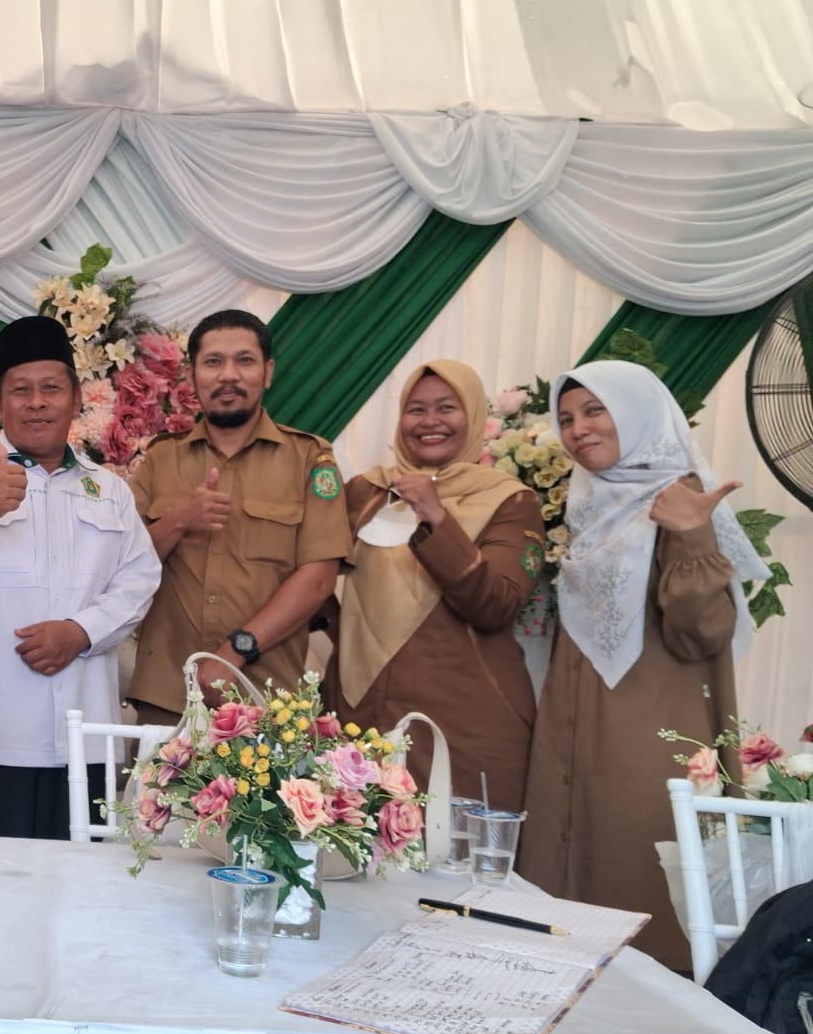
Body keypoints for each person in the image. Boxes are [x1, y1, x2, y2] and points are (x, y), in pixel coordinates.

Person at [516, 360, 768, 969]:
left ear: (639, 414)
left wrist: (695, 534)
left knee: (638, 905)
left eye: (595, 410)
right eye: (566, 418)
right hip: (574, 735)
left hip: (648, 739)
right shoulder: (591, 503)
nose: (578, 430)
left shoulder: (678, 499)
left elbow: (702, 634)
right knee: (562, 928)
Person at [0, 314, 161, 839]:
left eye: (51, 388)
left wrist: (81, 632)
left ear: (76, 400)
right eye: (20, 390)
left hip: (83, 735)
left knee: (78, 881)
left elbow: (140, 578)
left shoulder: (109, 489)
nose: (37, 402)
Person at [321, 360, 543, 811]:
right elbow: (312, 573)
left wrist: (437, 517)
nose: (429, 421)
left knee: (453, 849)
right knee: (357, 844)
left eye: (446, 407)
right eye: (416, 409)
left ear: (474, 415)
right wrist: (341, 632)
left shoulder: (510, 500)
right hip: (360, 715)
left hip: (462, 722)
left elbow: (497, 606)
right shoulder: (366, 491)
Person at [127, 310, 350, 724]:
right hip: (167, 698)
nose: (228, 375)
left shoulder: (308, 459)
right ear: (192, 375)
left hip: (268, 700)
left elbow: (319, 579)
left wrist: (236, 652)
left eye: (244, 360)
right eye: (213, 362)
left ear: (268, 373)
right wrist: (179, 520)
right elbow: (122, 566)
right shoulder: (160, 459)